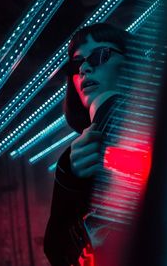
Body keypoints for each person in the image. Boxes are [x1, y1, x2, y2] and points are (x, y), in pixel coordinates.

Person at [44, 23, 133, 266]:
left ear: (131, 62)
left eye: (100, 55)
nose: (84, 68)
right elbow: (57, 252)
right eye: (75, 64)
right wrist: (71, 181)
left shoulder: (155, 118)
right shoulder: (69, 160)